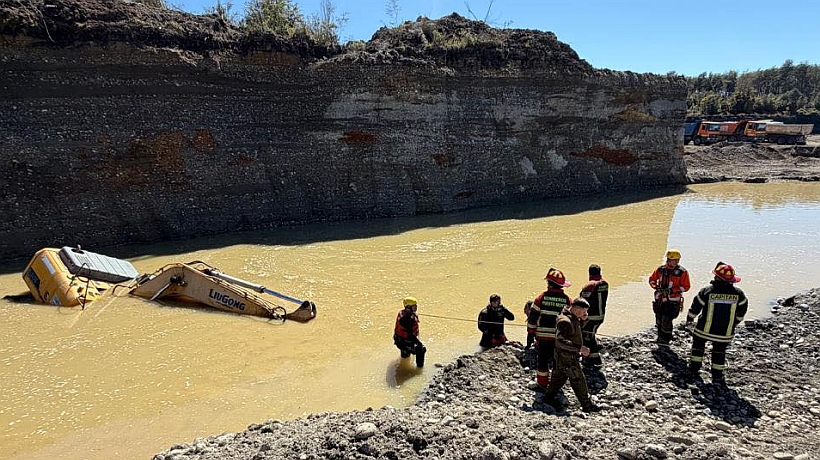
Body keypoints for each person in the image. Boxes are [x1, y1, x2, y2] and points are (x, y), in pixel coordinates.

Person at [685, 262, 748, 385]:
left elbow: (696, 306)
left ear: (716, 277)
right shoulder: (738, 294)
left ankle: (694, 369)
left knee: (697, 349)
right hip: (724, 333)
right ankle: (717, 376)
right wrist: (735, 322)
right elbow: (742, 310)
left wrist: (690, 318)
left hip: (704, 330)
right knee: (719, 353)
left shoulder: (707, 291)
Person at [541, 298, 601, 413]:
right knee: (578, 379)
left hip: (563, 356)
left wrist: (584, 319)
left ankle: (547, 399)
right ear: (576, 309)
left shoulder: (572, 317)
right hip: (567, 356)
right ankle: (587, 405)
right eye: (584, 311)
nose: (585, 314)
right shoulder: (565, 321)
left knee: (558, 378)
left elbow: (575, 329)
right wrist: (579, 348)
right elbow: (560, 341)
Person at [528, 268, 572, 389]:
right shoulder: (567, 300)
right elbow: (571, 319)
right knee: (557, 361)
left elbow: (532, 316)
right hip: (559, 338)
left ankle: (542, 383)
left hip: (543, 337)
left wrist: (530, 333)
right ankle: (556, 384)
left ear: (548, 283)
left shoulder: (541, 298)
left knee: (542, 360)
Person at [648, 249, 691, 346]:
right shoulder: (660, 270)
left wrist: (672, 290)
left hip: (673, 300)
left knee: (667, 319)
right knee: (659, 318)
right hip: (660, 299)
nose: (676, 262)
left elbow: (686, 287)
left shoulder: (682, 272)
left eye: (677, 260)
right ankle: (660, 336)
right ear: (668, 260)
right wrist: (657, 287)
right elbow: (652, 280)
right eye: (674, 260)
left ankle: (666, 339)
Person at [579, 264, 609, 368]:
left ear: (589, 273)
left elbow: (581, 301)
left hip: (590, 317)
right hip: (601, 316)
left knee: (586, 337)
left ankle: (592, 360)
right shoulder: (605, 283)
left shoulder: (590, 285)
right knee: (590, 335)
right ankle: (595, 359)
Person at [394, 296, 427, 367]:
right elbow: (410, 335)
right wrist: (419, 343)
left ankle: (404, 361)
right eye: (414, 306)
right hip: (404, 341)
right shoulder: (407, 319)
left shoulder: (403, 313)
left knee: (405, 354)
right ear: (408, 307)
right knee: (421, 349)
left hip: (399, 339)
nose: (416, 307)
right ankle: (419, 369)